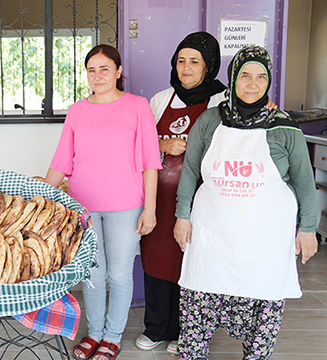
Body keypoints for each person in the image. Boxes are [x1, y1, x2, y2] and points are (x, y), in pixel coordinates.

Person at [173, 45, 318, 359]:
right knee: (198, 313)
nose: (252, 83)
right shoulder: (211, 121)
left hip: (263, 243)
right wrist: (182, 215)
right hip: (214, 237)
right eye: (245, 75)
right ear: (233, 78)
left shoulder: (285, 127)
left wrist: (308, 229)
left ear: (268, 82)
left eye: (260, 77)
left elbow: (306, 183)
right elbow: (189, 170)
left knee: (261, 315)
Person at [45, 44, 162, 360]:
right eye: (91, 70)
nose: (97, 76)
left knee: (119, 274)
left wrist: (150, 209)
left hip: (127, 206)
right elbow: (62, 161)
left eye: (104, 69)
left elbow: (151, 161)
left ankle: (112, 336)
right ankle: (94, 332)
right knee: (92, 273)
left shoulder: (137, 107)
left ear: (119, 71)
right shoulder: (77, 111)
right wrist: (41, 198)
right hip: (82, 207)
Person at [137, 31, 226, 355]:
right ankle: (156, 327)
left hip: (201, 202)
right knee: (157, 260)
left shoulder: (223, 102)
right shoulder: (160, 100)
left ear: (209, 66)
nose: (186, 68)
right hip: (157, 200)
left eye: (195, 62)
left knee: (191, 263)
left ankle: (188, 332)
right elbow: (140, 145)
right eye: (181, 61)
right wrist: (163, 144)